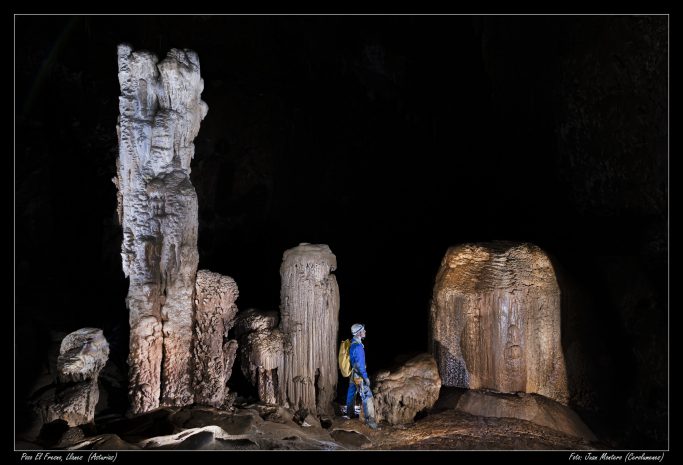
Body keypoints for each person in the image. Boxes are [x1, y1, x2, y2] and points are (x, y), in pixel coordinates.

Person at [345, 323, 378, 430]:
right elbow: (360, 365)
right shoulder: (358, 347)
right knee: (367, 395)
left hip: (353, 373)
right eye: (363, 330)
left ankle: (349, 413)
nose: (365, 332)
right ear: (359, 333)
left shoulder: (352, 344)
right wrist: (365, 377)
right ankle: (370, 421)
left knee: (351, 392)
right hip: (358, 375)